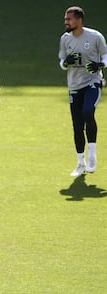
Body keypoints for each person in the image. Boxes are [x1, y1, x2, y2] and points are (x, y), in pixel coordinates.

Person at [59, 6, 107, 177]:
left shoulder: (95, 37)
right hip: (74, 85)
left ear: (79, 20)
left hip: (92, 82)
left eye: (69, 19)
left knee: (88, 111)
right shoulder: (65, 39)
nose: (66, 22)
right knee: (77, 126)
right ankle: (81, 163)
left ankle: (92, 155)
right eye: (66, 19)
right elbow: (62, 61)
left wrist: (100, 65)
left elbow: (105, 55)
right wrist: (66, 62)